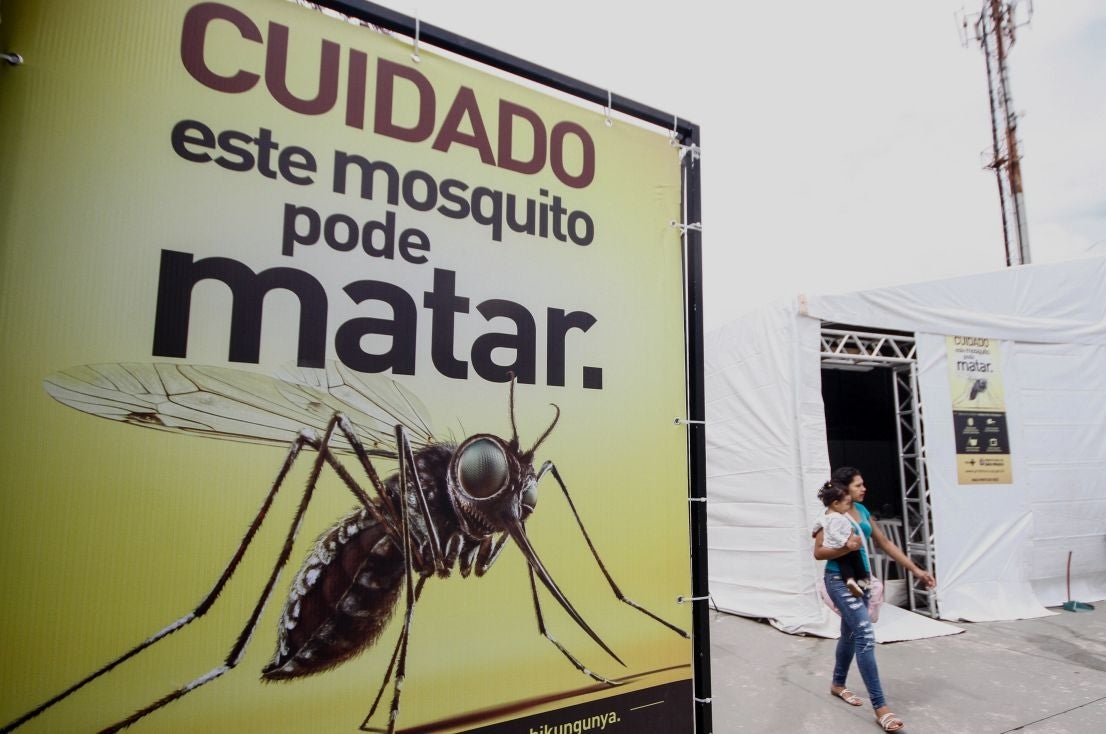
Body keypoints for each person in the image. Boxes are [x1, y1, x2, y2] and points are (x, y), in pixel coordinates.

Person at [813, 466, 937, 733]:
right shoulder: (832, 514)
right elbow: (819, 552)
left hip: (864, 580)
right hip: (839, 581)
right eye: (858, 485)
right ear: (844, 490)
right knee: (865, 636)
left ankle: (837, 685)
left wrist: (916, 570)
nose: (864, 488)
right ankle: (881, 708)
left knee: (849, 634)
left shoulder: (864, 512)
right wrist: (846, 547)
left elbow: (885, 544)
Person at [813, 481, 869, 597]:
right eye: (847, 504)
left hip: (836, 544)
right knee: (855, 556)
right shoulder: (836, 517)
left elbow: (817, 525)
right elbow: (834, 533)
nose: (848, 507)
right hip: (840, 544)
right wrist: (846, 542)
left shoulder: (824, 516)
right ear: (836, 503)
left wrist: (814, 532)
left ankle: (850, 579)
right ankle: (862, 578)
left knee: (845, 563)